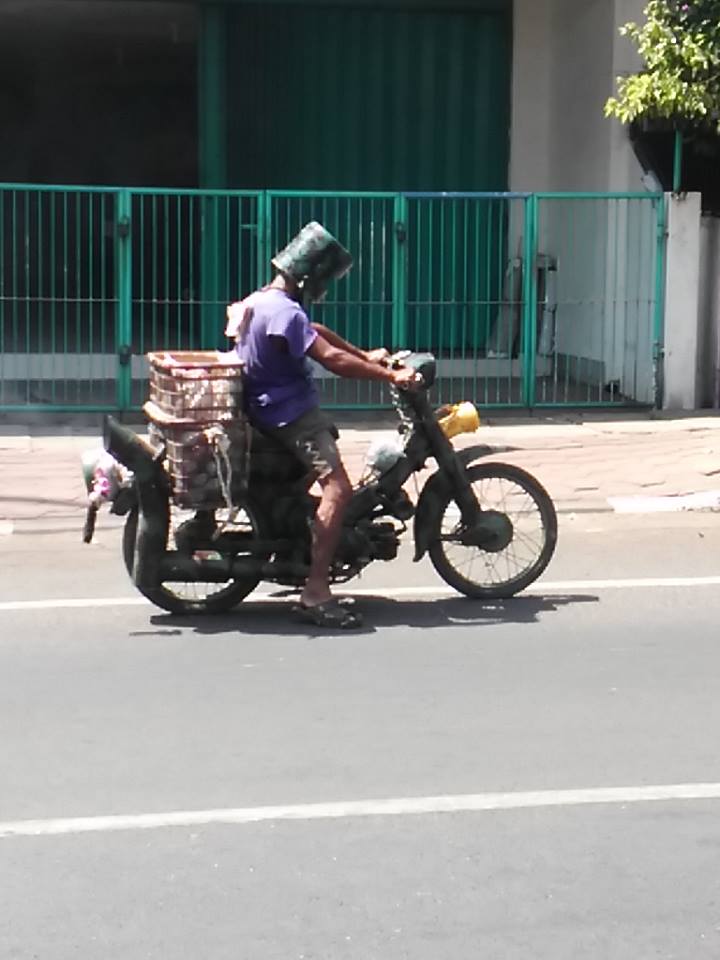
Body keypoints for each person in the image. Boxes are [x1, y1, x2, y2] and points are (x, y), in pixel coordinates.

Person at [226, 221, 418, 629]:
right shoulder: (286, 312)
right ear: (310, 275)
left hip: (266, 409)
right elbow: (331, 359)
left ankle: (304, 540)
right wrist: (390, 376)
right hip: (288, 415)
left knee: (322, 472)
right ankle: (315, 592)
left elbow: (315, 332)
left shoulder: (262, 301)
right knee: (339, 489)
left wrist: (366, 354)